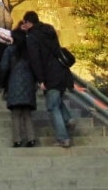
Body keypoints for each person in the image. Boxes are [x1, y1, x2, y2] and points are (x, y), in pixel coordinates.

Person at [21, 11, 76, 148]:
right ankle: (68, 119)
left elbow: (36, 60)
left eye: (24, 23)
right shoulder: (49, 30)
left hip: (49, 74)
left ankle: (63, 138)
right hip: (62, 71)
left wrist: (40, 80)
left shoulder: (32, 37)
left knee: (52, 106)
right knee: (56, 100)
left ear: (28, 22)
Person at [0, 27, 38, 147]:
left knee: (15, 114)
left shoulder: (9, 50)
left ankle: (17, 140)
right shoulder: (29, 52)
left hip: (13, 83)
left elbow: (4, 67)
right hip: (29, 84)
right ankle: (31, 138)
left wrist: (3, 81)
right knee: (27, 113)